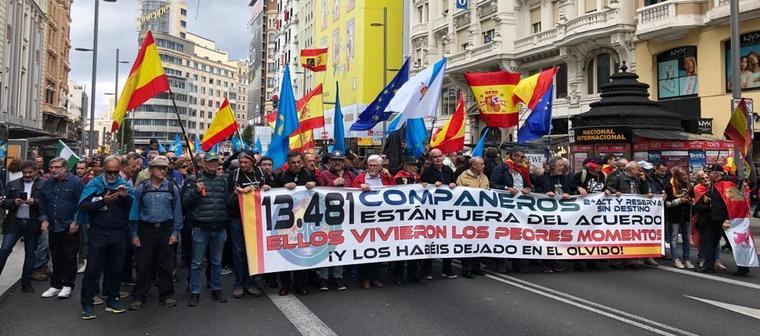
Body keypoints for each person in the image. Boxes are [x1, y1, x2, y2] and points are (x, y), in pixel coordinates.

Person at [78, 156, 136, 319]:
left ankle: (113, 299)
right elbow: (83, 206)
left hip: (119, 233)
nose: (112, 175)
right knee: (93, 269)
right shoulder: (94, 184)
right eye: (109, 171)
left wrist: (125, 198)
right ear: (103, 169)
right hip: (98, 233)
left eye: (116, 172)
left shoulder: (123, 186)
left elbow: (132, 209)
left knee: (116, 269)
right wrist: (103, 201)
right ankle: (87, 303)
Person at [129, 156, 183, 310]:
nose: (163, 171)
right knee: (143, 264)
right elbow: (134, 213)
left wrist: (175, 232)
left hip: (166, 229)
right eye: (160, 168)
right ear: (151, 170)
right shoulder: (141, 188)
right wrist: (134, 234)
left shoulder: (172, 188)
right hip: (146, 230)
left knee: (166, 264)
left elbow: (177, 211)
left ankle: (166, 294)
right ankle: (139, 296)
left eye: (165, 168)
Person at [183, 153, 230, 306]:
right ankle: (195, 291)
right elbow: (185, 203)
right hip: (200, 227)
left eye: (215, 162)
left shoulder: (224, 180)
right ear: (203, 163)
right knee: (197, 262)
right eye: (209, 162)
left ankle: (216, 288)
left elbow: (228, 202)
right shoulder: (193, 179)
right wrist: (196, 192)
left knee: (216, 262)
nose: (212, 164)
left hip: (219, 227)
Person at [37, 157, 83, 299]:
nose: (53, 170)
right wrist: (44, 219)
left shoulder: (76, 182)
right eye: (51, 168)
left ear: (65, 168)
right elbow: (42, 203)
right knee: (56, 256)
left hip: (69, 226)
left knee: (69, 257)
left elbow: (81, 203)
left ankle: (68, 285)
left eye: (57, 167)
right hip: (53, 225)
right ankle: (55, 285)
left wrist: (76, 220)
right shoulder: (48, 183)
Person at [228, 150, 267, 298]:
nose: (242, 165)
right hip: (237, 219)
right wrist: (236, 194)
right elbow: (228, 201)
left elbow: (272, 191)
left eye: (246, 162)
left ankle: (250, 282)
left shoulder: (261, 174)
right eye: (241, 162)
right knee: (238, 252)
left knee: (253, 252)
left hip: (256, 219)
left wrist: (266, 189)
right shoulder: (234, 175)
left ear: (253, 162)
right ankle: (239, 284)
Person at [0, 161, 44, 293]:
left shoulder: (43, 184)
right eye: (25, 172)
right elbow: (3, 203)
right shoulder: (13, 184)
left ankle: (26, 283)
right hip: (15, 222)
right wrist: (14, 202)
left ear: (36, 171)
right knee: (5, 249)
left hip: (32, 223)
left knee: (30, 254)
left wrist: (35, 202)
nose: (27, 175)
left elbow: (47, 203)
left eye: (30, 172)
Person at [277, 152, 317, 295]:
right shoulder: (281, 176)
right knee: (285, 251)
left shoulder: (308, 174)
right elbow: (270, 192)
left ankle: (301, 284)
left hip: (304, 221)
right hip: (285, 222)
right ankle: (285, 285)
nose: (296, 165)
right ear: (288, 163)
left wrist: (314, 183)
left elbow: (321, 188)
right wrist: (282, 187)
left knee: (301, 252)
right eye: (293, 162)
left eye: (298, 162)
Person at [316, 150, 355, 290]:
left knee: (340, 246)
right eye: (334, 160)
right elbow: (318, 191)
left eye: (340, 160)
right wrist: (333, 183)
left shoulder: (350, 174)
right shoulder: (323, 174)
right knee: (326, 246)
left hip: (344, 216)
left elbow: (356, 189)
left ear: (343, 162)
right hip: (326, 216)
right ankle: (324, 278)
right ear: (330, 162)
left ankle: (338, 277)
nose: (337, 162)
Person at [353, 155, 394, 289]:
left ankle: (376, 278)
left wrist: (389, 177)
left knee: (378, 250)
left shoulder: (385, 179)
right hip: (364, 220)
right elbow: (350, 191)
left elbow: (395, 191)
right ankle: (364, 278)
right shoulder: (360, 178)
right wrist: (359, 186)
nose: (372, 167)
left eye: (375, 165)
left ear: (381, 167)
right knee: (364, 250)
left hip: (381, 221)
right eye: (370, 165)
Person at [606, 161, 656, 268]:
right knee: (619, 236)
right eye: (637, 169)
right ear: (631, 169)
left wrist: (643, 181)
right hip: (620, 211)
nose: (639, 171)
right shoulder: (618, 177)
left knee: (631, 235)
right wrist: (615, 192)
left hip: (633, 212)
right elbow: (608, 187)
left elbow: (643, 191)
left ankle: (631, 259)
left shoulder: (638, 179)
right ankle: (616, 260)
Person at [421, 148, 457, 279]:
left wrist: (453, 184)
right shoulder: (427, 171)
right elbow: (422, 187)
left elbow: (455, 183)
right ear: (431, 159)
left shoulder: (448, 170)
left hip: (447, 211)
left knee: (448, 239)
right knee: (430, 240)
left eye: (439, 156)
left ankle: (447, 268)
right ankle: (427, 270)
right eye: (434, 157)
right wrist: (430, 185)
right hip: (432, 212)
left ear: (443, 157)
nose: (437, 158)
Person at [456, 157, 489, 278]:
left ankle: (476, 267)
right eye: (482, 164)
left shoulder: (484, 177)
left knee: (479, 240)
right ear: (474, 166)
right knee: (468, 241)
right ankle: (466, 269)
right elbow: (457, 195)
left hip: (481, 215)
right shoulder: (462, 177)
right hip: (467, 215)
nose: (484, 166)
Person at [536, 158, 570, 273]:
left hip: (561, 212)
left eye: (563, 165)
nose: (562, 167)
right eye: (560, 165)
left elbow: (569, 190)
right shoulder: (542, 178)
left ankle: (555, 261)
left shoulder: (564, 178)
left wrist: (567, 193)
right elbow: (536, 191)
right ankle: (546, 262)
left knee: (557, 237)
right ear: (552, 167)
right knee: (547, 237)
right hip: (546, 212)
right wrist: (545, 194)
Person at [392, 157, 422, 284]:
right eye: (412, 165)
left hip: (414, 217)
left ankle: (413, 273)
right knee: (401, 248)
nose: (415, 167)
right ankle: (398, 275)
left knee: (414, 247)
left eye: (415, 165)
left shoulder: (418, 178)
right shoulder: (399, 178)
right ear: (405, 167)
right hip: (401, 218)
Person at [665, 167, 693, 269]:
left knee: (686, 238)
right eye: (682, 175)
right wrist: (679, 201)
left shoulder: (688, 186)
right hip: (674, 215)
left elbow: (692, 198)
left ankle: (687, 259)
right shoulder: (670, 186)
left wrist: (691, 200)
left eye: (685, 174)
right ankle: (675, 259)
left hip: (685, 215)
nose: (685, 177)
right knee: (674, 238)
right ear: (677, 176)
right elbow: (667, 203)